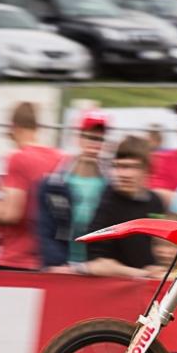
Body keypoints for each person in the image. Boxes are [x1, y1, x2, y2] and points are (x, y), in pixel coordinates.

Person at [0, 102, 64, 271]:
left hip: (15, 258)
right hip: (48, 258)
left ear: (14, 128)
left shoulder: (17, 158)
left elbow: (11, 214)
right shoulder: (60, 158)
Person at [86, 136, 167, 279]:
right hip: (115, 286)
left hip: (150, 286)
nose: (123, 174)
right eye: (118, 166)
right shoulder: (107, 203)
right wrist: (143, 274)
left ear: (147, 170)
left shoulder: (156, 202)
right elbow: (97, 264)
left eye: (133, 167)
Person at [38, 110, 109, 270]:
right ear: (79, 138)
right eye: (90, 137)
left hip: (93, 268)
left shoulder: (109, 185)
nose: (94, 144)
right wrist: (57, 264)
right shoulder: (55, 183)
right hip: (61, 266)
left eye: (100, 139)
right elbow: (46, 230)